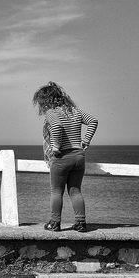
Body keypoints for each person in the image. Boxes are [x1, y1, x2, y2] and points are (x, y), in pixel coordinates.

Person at [32, 82, 99, 232]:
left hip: (62, 157)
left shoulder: (52, 113)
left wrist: (56, 146)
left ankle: (55, 223)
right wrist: (86, 141)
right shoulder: (76, 111)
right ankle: (80, 223)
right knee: (75, 191)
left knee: (56, 191)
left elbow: (56, 127)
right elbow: (93, 121)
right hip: (78, 155)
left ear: (46, 101)